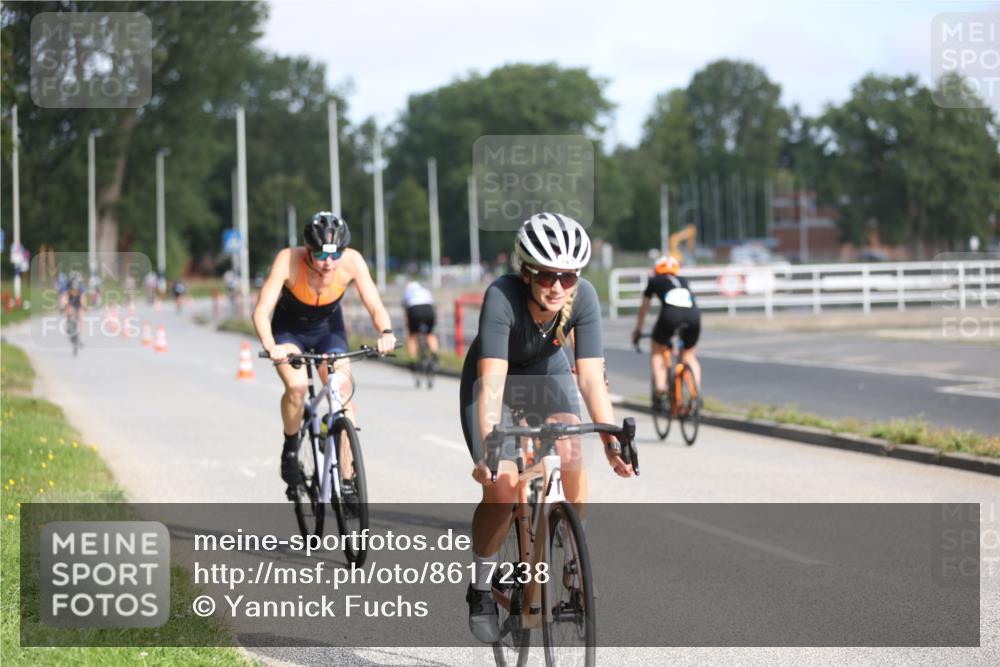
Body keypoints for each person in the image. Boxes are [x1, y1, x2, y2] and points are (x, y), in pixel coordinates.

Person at [459, 212, 634, 643]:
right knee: (502, 485)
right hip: (494, 378)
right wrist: (488, 447)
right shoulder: (501, 296)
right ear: (526, 271)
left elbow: (591, 378)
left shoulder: (584, 297)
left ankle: (573, 561)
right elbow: (494, 384)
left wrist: (611, 440)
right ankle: (481, 588)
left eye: (568, 277)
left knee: (572, 446)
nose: (558, 286)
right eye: (547, 275)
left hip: (546, 372)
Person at [253, 212, 396, 495]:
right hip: (289, 331)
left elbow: (375, 305)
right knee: (295, 387)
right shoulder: (288, 260)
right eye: (320, 255)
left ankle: (347, 479)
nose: (329, 263)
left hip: (329, 330)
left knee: (342, 393)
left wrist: (386, 332)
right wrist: (271, 346)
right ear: (307, 251)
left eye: (335, 254)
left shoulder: (352, 261)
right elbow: (261, 310)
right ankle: (291, 446)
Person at [631, 255, 702, 409]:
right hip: (694, 316)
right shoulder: (683, 281)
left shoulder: (654, 281)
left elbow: (644, 309)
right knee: (689, 355)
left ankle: (661, 393)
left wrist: (638, 331)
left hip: (670, 316)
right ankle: (695, 395)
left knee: (657, 351)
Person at [402, 280, 439, 361]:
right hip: (428, 309)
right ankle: (434, 354)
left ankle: (412, 359)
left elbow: (405, 307)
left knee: (412, 336)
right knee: (430, 333)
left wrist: (407, 322)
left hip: (414, 310)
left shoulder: (408, 292)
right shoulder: (425, 291)